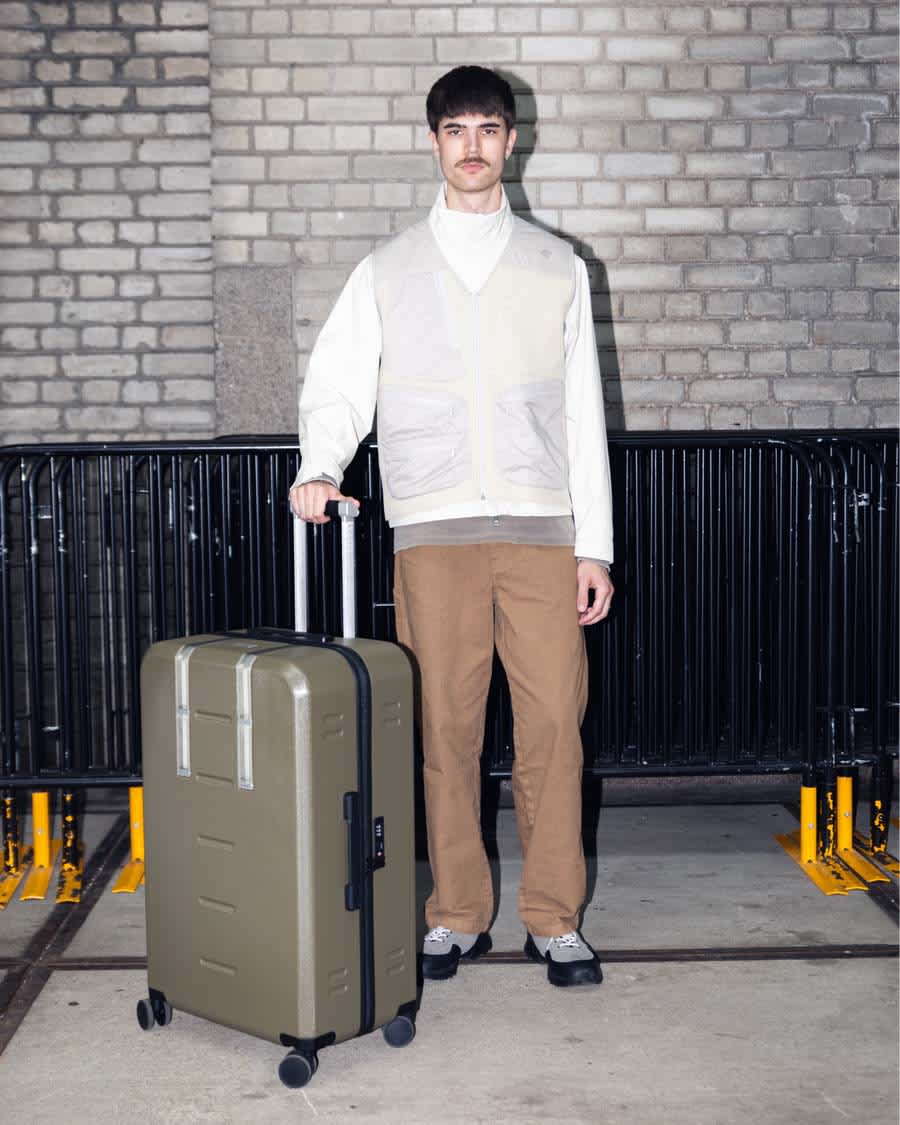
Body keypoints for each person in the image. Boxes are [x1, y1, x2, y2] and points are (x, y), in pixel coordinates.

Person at [289, 66, 614, 988]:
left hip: (543, 532)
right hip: (433, 532)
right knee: (444, 731)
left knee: (554, 729)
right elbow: (339, 382)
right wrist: (320, 465)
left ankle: (554, 919)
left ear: (512, 142)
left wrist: (595, 545)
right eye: (456, 129)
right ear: (434, 142)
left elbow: (583, 413)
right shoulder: (386, 270)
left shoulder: (557, 266)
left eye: (489, 129)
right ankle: (457, 913)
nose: (473, 145)